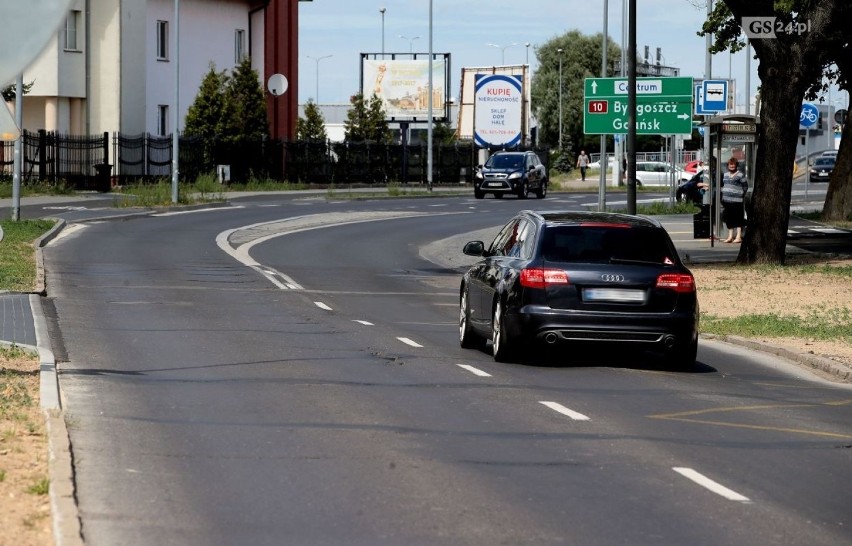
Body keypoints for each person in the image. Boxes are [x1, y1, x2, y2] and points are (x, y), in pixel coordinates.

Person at [720, 156, 748, 243]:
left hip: (737, 201)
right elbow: (722, 185)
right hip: (726, 200)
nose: (732, 166)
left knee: (738, 218)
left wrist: (740, 194)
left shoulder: (740, 175)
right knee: (729, 218)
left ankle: (738, 236)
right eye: (730, 165)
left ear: (736, 165)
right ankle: (730, 236)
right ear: (728, 166)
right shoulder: (725, 175)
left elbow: (745, 187)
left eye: (733, 165)